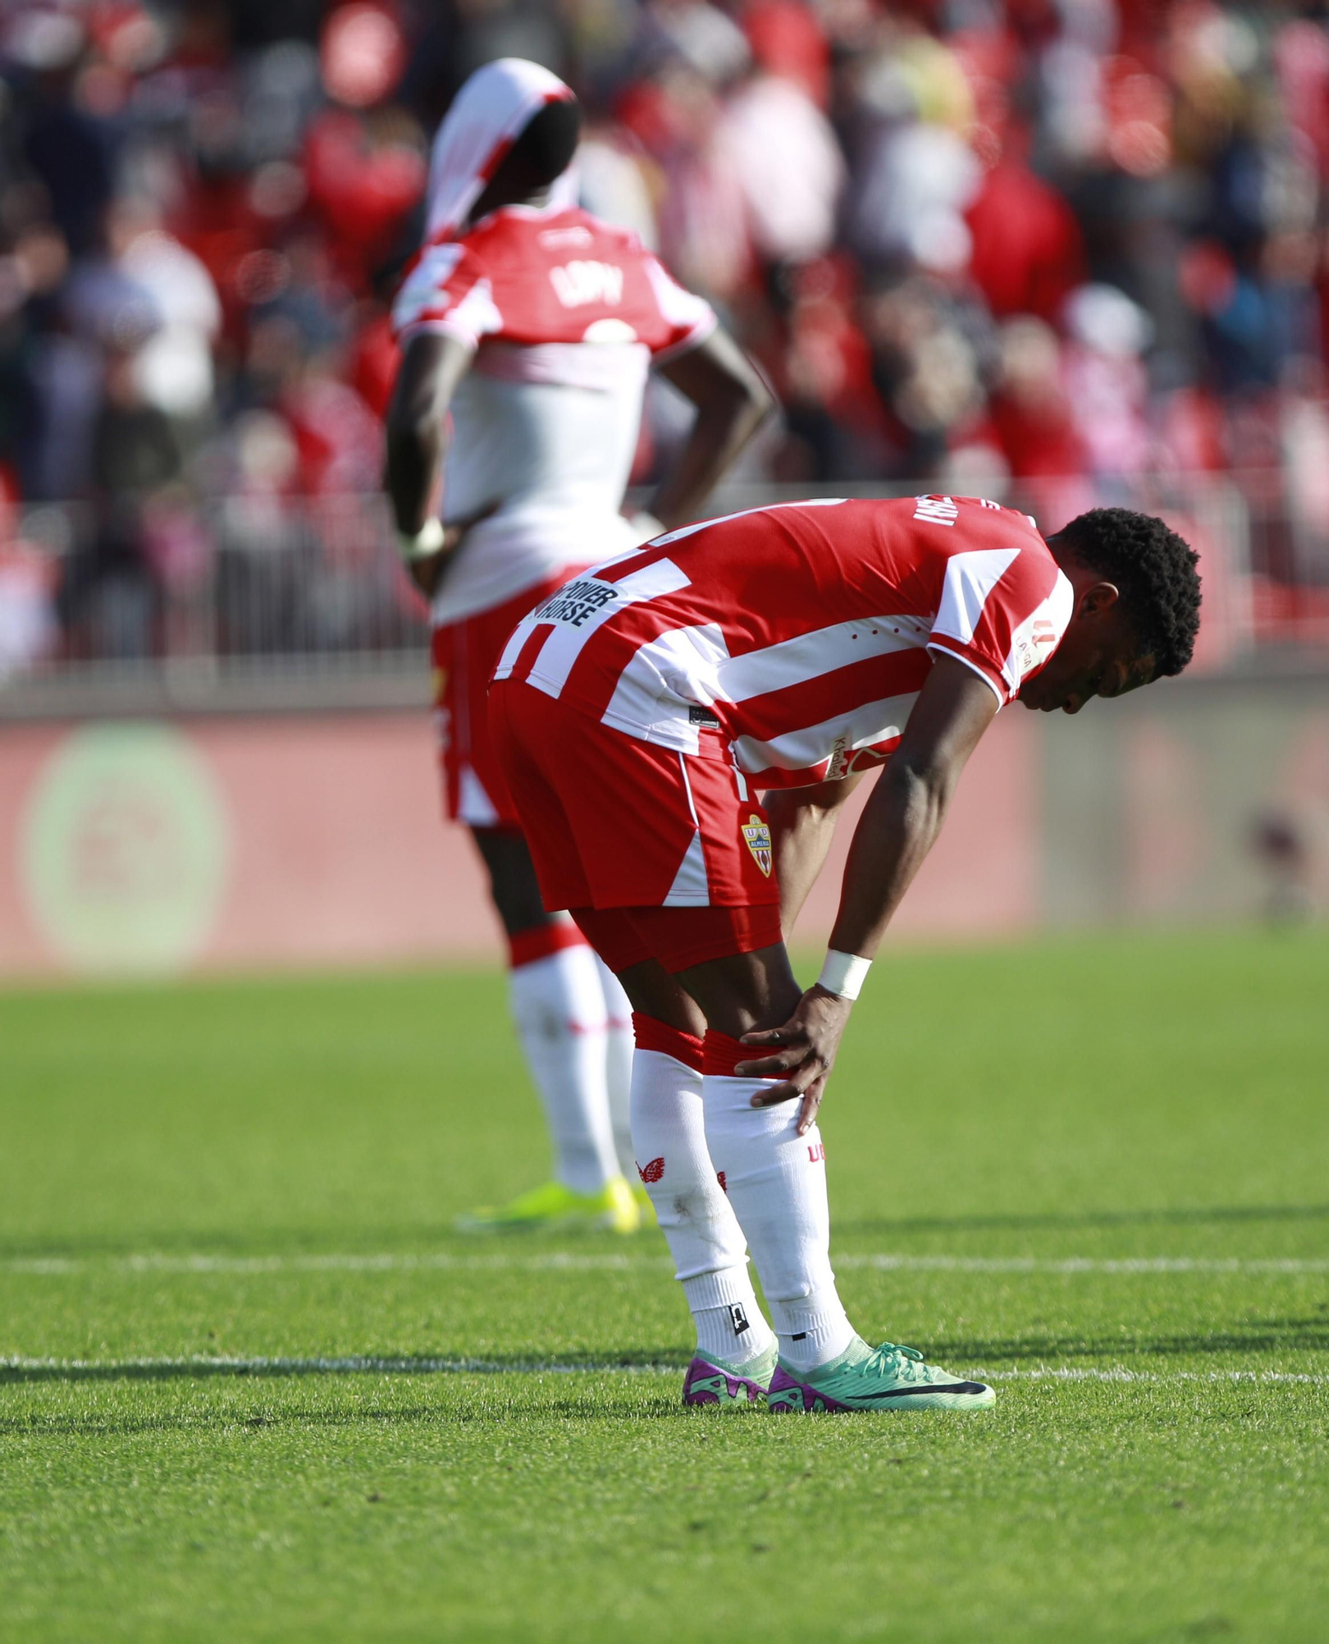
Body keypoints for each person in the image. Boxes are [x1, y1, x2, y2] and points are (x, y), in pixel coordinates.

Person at [485, 495, 1202, 1410]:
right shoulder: (1029, 582)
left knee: (680, 1021)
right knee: (767, 1038)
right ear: (1095, 603)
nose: (1069, 702)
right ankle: (821, 1355)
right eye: (1103, 677)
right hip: (642, 686)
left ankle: (729, 1351)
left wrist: (757, 957)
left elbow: (815, 802)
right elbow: (924, 778)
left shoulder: (927, 593)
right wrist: (829, 993)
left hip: (538, 673)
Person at [384, 60, 772, 1234]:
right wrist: (654, 521)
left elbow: (412, 411)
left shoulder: (462, 263)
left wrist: (416, 538)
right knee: (615, 862)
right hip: (612, 576)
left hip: (503, 579)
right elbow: (739, 395)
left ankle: (590, 1165)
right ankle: (647, 1153)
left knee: (522, 874)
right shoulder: (622, 255)